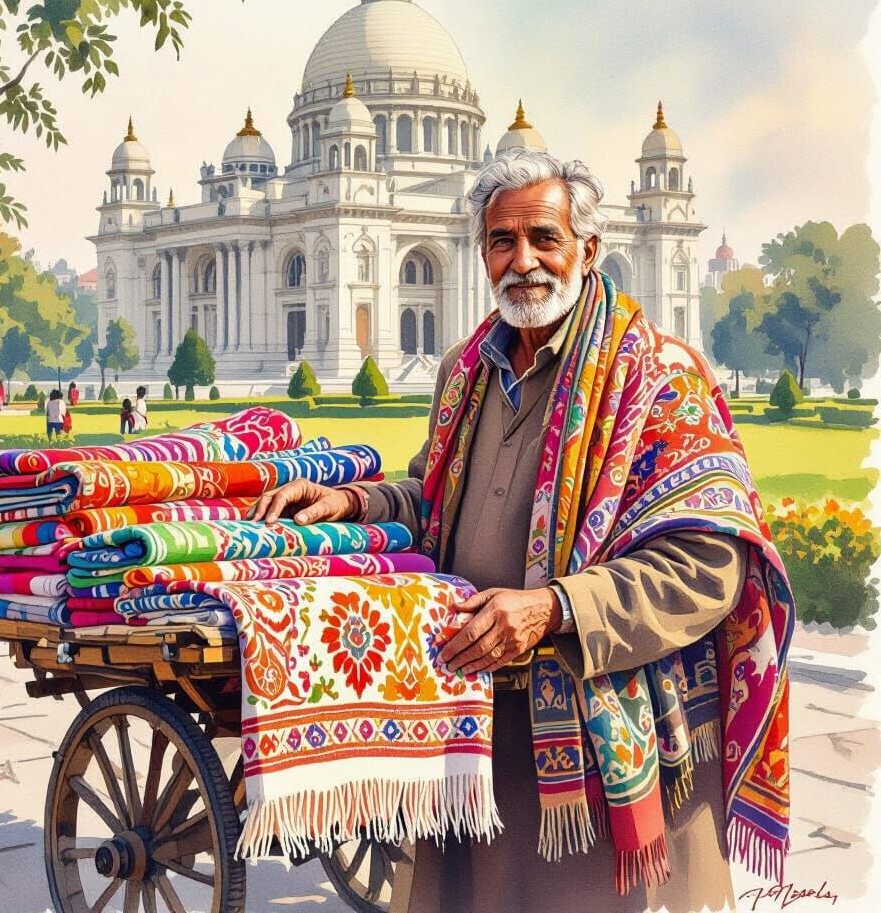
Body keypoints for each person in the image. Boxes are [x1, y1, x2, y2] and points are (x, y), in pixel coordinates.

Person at [248, 147, 793, 913]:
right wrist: (355, 502)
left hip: (605, 743)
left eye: (544, 237)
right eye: (503, 241)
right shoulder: (469, 369)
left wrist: (555, 609)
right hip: (479, 725)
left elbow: (709, 565)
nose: (524, 261)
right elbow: (441, 499)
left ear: (588, 250)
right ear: (482, 252)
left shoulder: (657, 376)